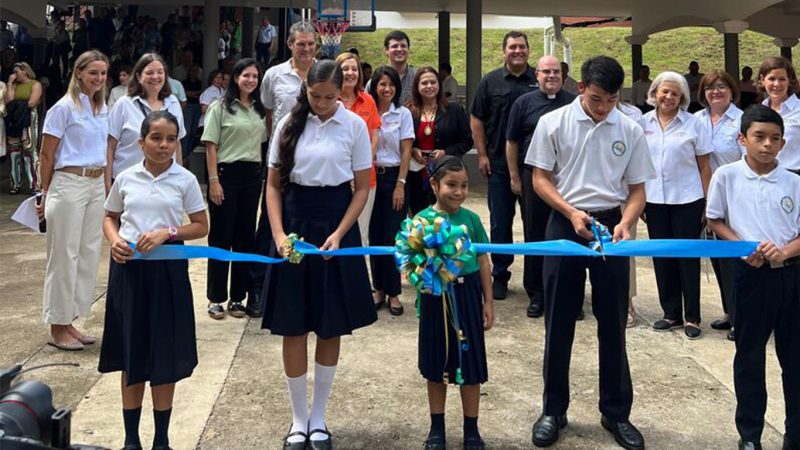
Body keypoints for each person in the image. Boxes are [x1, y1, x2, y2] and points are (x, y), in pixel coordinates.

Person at [527, 56, 654, 449]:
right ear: (580, 87)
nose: (603, 108)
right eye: (597, 99)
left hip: (611, 228)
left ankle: (616, 412)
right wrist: (569, 211)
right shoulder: (554, 123)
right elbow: (540, 179)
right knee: (559, 319)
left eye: (611, 100)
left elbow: (637, 190)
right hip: (565, 224)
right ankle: (553, 410)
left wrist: (627, 222)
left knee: (613, 321)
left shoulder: (629, 129)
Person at [261, 60, 377, 450]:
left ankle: (319, 418)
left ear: (342, 91)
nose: (324, 104)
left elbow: (361, 188)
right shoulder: (288, 125)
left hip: (334, 223)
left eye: (331, 97)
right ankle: (297, 421)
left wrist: (340, 234)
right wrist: (278, 235)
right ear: (306, 90)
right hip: (293, 224)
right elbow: (274, 185)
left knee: (329, 324)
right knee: (293, 324)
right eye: (316, 96)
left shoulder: (355, 126)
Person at [99, 110, 208, 450]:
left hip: (168, 275)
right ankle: (131, 439)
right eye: (156, 138)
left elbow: (201, 226)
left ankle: (162, 439)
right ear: (141, 141)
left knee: (164, 355)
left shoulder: (185, 179)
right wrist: (114, 240)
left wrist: (168, 232)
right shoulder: (126, 177)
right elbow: (109, 216)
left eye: (171, 139)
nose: (163, 146)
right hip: (129, 272)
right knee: (131, 353)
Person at [705, 105, 800, 450]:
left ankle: (795, 434)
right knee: (749, 356)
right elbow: (714, 220)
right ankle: (750, 434)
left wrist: (785, 252)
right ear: (742, 138)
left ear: (783, 143)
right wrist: (742, 247)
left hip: (791, 277)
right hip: (750, 277)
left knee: (795, 358)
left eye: (775, 139)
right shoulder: (727, 176)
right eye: (759, 137)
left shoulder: (793, 181)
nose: (766, 145)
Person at [415, 156, 494, 450]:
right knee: (437, 364)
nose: (458, 192)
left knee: (469, 365)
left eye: (463, 185)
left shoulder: (471, 220)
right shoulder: (421, 220)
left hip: (468, 294)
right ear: (434, 185)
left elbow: (484, 260)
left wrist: (488, 301)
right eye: (451, 185)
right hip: (435, 297)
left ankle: (471, 429)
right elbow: (412, 264)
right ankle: (437, 429)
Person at [36, 50, 109, 350]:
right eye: (94, 72)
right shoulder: (63, 108)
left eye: (103, 73)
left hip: (95, 184)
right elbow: (45, 154)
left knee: (87, 254)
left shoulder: (101, 107)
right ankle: (57, 325)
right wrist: (44, 191)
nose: (99, 78)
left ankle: (70, 319)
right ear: (78, 73)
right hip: (68, 182)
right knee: (63, 255)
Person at [640, 71, 712, 340]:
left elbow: (705, 166)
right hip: (654, 200)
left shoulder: (693, 124)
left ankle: (692, 316)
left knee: (688, 258)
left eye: (674, 93)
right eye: (664, 91)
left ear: (682, 96)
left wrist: (708, 202)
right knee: (662, 256)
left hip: (688, 199)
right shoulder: (643, 122)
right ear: (654, 93)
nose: (668, 97)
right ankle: (670, 313)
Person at [252, 21, 317, 316]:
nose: (306, 49)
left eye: (310, 44)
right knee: (270, 223)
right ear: (289, 44)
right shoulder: (273, 75)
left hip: (316, 157)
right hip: (282, 157)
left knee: (308, 219)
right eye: (300, 44)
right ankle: (260, 288)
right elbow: (269, 112)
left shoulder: (324, 71)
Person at [505, 55, 575, 319]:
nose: (551, 76)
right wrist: (514, 177)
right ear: (537, 75)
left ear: (563, 75)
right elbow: (511, 142)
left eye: (556, 71)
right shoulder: (523, 103)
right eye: (546, 72)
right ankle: (537, 293)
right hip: (532, 177)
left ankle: (568, 295)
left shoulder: (574, 103)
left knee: (567, 234)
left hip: (566, 179)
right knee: (535, 233)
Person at [470, 30, 536, 300]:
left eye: (522, 47)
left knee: (534, 223)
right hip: (497, 163)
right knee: (500, 223)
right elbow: (477, 119)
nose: (517, 51)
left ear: (528, 50)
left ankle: (536, 279)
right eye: (512, 47)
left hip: (534, 166)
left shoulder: (540, 80)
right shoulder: (490, 82)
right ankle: (500, 274)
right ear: (504, 51)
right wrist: (482, 155)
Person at [201, 58, 267, 320]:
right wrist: (214, 180)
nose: (251, 80)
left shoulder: (259, 110)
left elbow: (262, 144)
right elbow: (210, 146)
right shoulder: (220, 108)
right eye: (246, 75)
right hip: (225, 176)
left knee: (244, 238)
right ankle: (216, 298)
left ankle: (238, 297)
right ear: (235, 77)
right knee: (221, 236)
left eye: (255, 77)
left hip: (252, 177)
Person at [694, 70, 743, 341]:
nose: (716, 92)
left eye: (722, 86)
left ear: (731, 91)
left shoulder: (741, 120)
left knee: (736, 259)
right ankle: (729, 311)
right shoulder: (695, 121)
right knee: (718, 258)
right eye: (711, 88)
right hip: (706, 197)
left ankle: (741, 317)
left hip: (734, 197)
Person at [367, 65, 414, 315]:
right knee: (375, 235)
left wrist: (401, 184)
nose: (387, 89)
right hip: (372, 177)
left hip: (395, 177)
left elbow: (406, 151)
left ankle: (394, 291)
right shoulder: (369, 110)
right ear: (375, 86)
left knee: (393, 236)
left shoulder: (403, 114)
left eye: (391, 84)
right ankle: (378, 289)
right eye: (382, 84)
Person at [107, 53, 186, 191]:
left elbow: (177, 144)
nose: (155, 77)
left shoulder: (173, 103)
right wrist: (107, 185)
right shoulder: (124, 104)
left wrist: (180, 180)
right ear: (138, 76)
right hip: (128, 184)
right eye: (149, 72)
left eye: (160, 72)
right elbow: (109, 147)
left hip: (166, 182)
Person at [407, 67, 473, 216]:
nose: (429, 86)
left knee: (445, 217)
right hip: (417, 174)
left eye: (433, 82)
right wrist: (413, 150)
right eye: (424, 83)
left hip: (445, 175)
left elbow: (467, 141)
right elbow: (403, 141)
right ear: (417, 87)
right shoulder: (409, 111)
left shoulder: (454, 110)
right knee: (419, 216)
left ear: (439, 85)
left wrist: (446, 152)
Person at [335, 52, 381, 248]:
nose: (350, 73)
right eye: (345, 69)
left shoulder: (368, 100)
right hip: (336, 177)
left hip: (365, 179)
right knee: (335, 232)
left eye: (354, 69)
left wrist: (358, 172)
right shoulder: (329, 99)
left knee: (360, 234)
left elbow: (374, 138)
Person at [758, 56, 800, 175]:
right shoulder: (759, 111)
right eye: (771, 78)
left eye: (782, 79)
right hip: (764, 176)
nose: (776, 84)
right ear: (762, 79)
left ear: (789, 80)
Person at [5, 61, 43, 194]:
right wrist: (10, 83)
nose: (14, 75)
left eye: (17, 72)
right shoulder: (14, 85)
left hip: (28, 120)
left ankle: (35, 184)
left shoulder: (35, 84)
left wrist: (18, 103)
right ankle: (15, 184)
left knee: (29, 151)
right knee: (14, 152)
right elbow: (9, 100)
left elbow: (32, 102)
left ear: (25, 71)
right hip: (14, 119)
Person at [365, 30, 416, 104]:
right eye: (395, 46)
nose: (399, 49)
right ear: (386, 50)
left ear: (408, 49)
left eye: (403, 46)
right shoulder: (375, 81)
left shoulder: (417, 77)